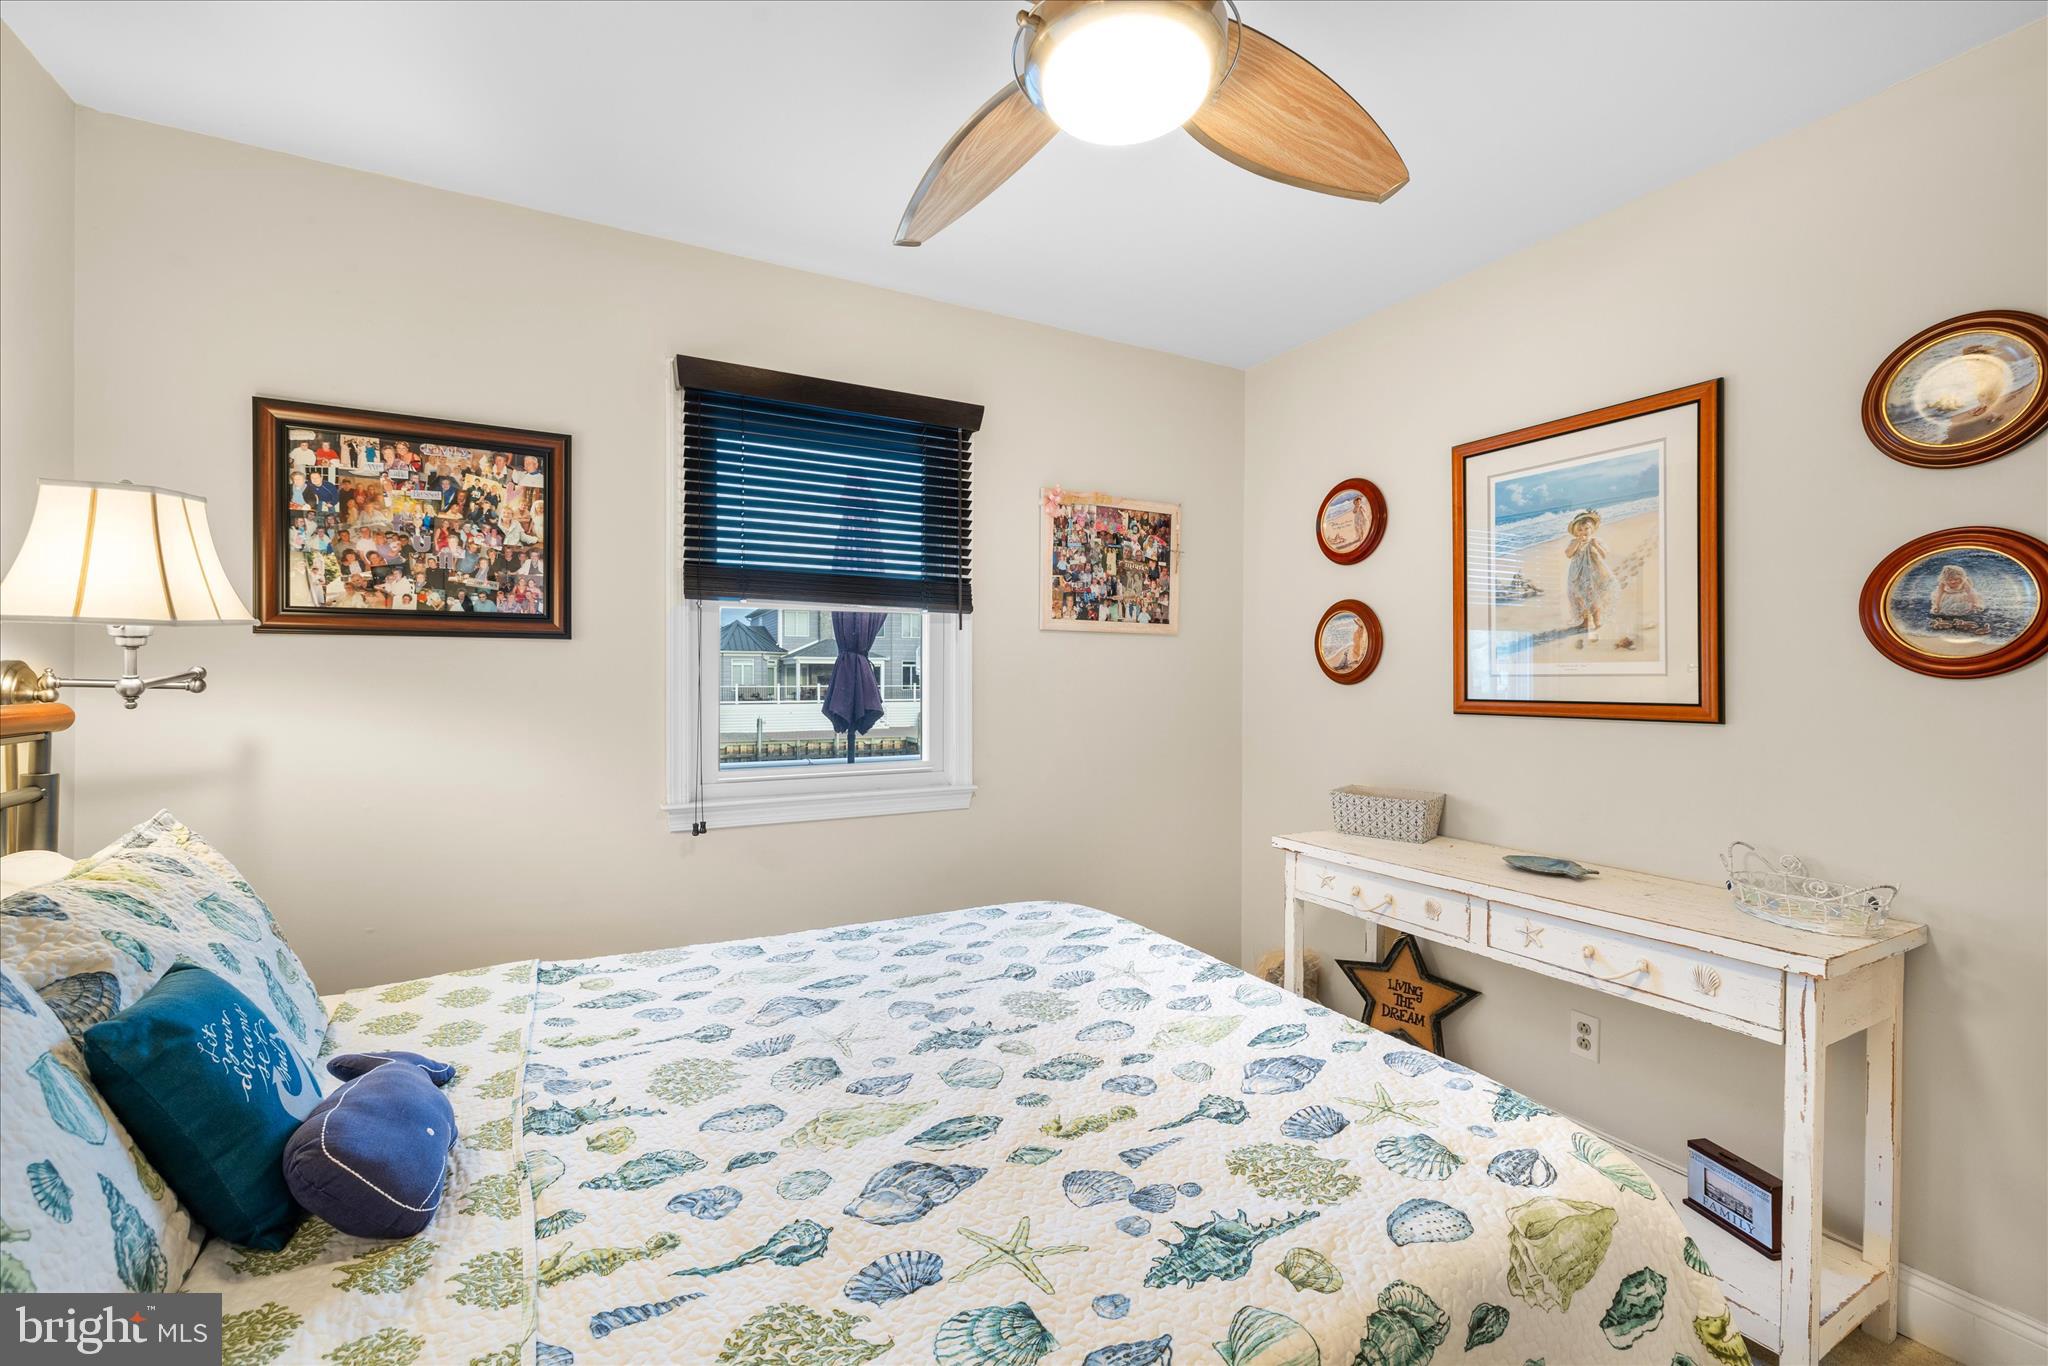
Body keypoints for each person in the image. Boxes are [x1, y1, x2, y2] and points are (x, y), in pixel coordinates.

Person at [1564, 509, 1616, 645]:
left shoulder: (1595, 541)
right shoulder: (1574, 542)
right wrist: (1576, 544)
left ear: (1592, 529)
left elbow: (1605, 555)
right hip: (1577, 575)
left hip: (1593, 573)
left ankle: (1597, 619)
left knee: (1592, 596)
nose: (1583, 532)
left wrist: (1597, 546)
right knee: (1579, 597)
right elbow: (1568, 554)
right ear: (1576, 532)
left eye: (1586, 528)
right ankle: (1585, 621)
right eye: (1580, 530)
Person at [1928, 563, 1987, 634]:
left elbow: (1970, 593)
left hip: (1962, 597)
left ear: (1961, 578)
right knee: (1943, 609)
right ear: (1944, 579)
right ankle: (1950, 619)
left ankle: (1962, 617)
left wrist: (1974, 603)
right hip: (1948, 597)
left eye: (1956, 579)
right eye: (1949, 580)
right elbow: (1939, 594)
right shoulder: (1942, 583)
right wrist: (1936, 605)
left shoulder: (1964, 582)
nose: (1953, 581)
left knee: (1967, 607)